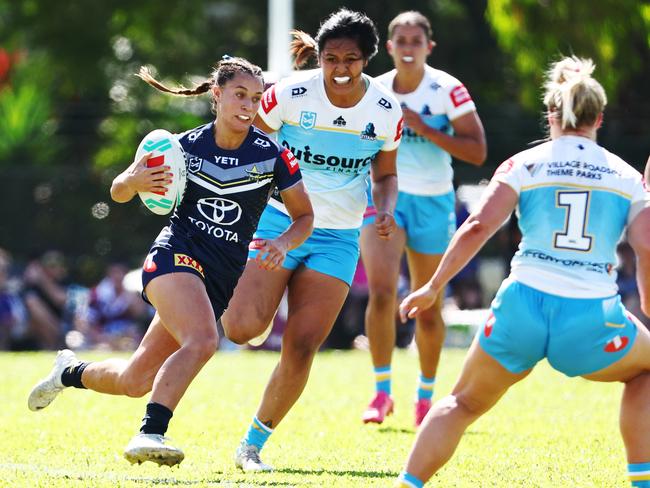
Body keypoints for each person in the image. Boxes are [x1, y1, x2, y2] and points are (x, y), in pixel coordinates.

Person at [27, 56, 314, 467]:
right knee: (202, 341)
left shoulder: (273, 156)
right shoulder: (182, 147)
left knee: (134, 380)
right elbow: (118, 190)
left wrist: (284, 243)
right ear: (216, 95)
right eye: (239, 95)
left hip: (218, 279)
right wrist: (134, 181)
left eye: (255, 98)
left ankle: (67, 372)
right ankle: (151, 432)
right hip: (173, 259)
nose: (249, 106)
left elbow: (305, 218)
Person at [394, 56, 650, 488]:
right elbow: (645, 244)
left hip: (521, 309)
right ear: (599, 118)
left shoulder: (523, 164)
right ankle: (642, 482)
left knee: (461, 404)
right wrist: (646, 302)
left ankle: (406, 485)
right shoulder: (625, 176)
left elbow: (477, 226)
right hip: (590, 320)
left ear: (550, 114)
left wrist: (432, 287)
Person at [220, 8, 403, 472]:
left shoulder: (385, 111)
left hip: (338, 238)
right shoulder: (288, 94)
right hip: (277, 224)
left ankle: (252, 445)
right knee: (241, 329)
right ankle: (253, 306)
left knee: (301, 345)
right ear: (318, 57)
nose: (341, 69)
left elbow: (386, 174)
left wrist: (384, 209)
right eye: (331, 58)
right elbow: (251, 147)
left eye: (352, 59)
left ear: (367, 60)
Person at [360, 11, 486, 427]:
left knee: (427, 303)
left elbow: (477, 151)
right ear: (390, 47)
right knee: (380, 293)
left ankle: (424, 396)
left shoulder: (447, 89)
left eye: (416, 41)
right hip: (386, 199)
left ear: (428, 47)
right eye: (401, 40)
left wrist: (425, 129)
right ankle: (380, 393)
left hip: (434, 201)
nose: (408, 47)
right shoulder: (374, 90)